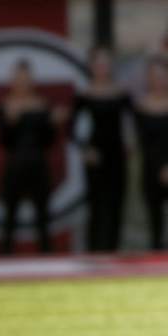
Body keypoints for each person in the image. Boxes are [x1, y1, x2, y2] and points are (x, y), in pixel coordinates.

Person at [69, 48, 131, 252]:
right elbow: (70, 128)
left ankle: (113, 249)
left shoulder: (121, 93)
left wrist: (129, 143)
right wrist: (85, 149)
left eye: (106, 64)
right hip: (95, 154)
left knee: (116, 204)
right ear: (92, 67)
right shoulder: (84, 94)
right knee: (95, 204)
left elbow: (134, 122)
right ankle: (94, 250)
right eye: (98, 64)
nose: (102, 68)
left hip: (116, 154)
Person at [0, 59, 61, 254]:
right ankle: (4, 265)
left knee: (43, 219)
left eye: (26, 79)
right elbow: (3, 141)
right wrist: (10, 121)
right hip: (15, 165)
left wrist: (52, 124)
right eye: (19, 79)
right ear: (12, 81)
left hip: (38, 164)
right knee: (9, 220)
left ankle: (47, 263)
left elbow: (49, 141)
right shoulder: (5, 105)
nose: (22, 83)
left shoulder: (42, 105)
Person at [132, 56, 168, 250]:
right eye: (155, 76)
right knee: (155, 226)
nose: (159, 80)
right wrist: (161, 167)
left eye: (163, 76)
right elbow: (144, 143)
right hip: (151, 170)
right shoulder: (140, 107)